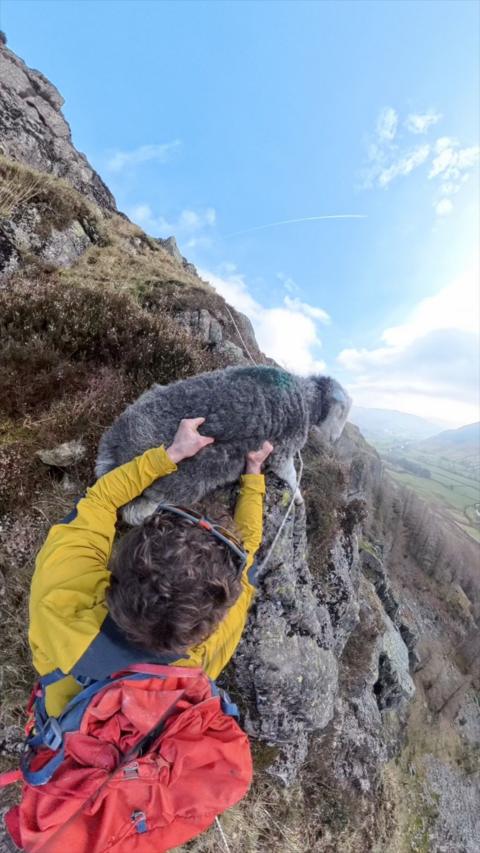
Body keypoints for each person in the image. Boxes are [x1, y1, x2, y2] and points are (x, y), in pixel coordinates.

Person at [28, 417, 273, 718]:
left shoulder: (57, 600)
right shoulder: (198, 664)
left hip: (63, 717)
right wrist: (254, 472)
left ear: (120, 565)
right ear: (210, 622)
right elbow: (247, 551)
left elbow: (100, 501)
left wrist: (172, 453)